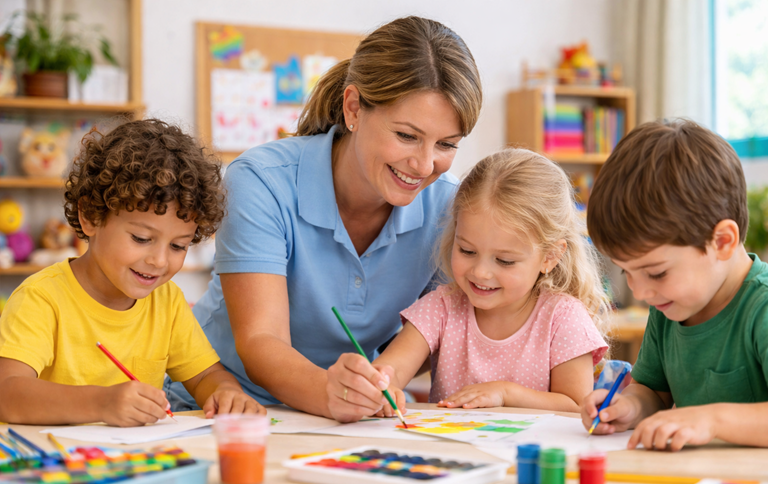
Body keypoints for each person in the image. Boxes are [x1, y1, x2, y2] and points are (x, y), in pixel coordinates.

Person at [165, 16, 483, 423]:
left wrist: (378, 384)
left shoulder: (449, 207)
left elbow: (432, 330)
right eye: (407, 136)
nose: (423, 165)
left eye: (446, 145)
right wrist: (331, 394)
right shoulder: (260, 180)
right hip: (225, 405)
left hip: (345, 417)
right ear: (354, 108)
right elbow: (261, 339)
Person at [0, 119, 264, 426]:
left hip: (138, 454)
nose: (159, 261)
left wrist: (227, 393)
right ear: (90, 217)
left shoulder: (166, 302)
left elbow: (205, 375)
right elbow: (7, 394)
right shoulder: (41, 298)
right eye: (141, 238)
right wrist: (101, 403)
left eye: (178, 246)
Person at [330, 148, 610, 417]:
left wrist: (505, 394)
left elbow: (576, 406)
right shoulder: (441, 307)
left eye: (504, 261)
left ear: (550, 257)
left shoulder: (562, 317)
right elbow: (391, 370)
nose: (481, 272)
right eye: (467, 251)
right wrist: (378, 388)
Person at [580, 119, 768, 450]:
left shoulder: (761, 307)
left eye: (656, 273)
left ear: (722, 242)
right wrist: (630, 406)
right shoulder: (670, 307)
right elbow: (654, 392)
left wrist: (711, 420)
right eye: (626, 272)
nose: (641, 293)